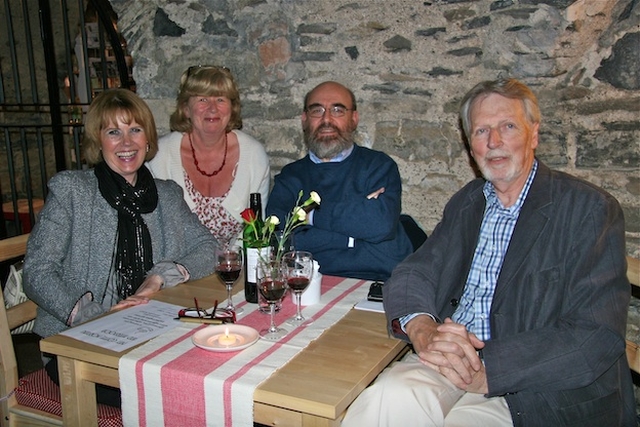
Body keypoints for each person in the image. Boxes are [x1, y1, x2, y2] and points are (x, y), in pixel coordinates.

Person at [341, 78, 635, 426]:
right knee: (384, 399)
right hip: (452, 358)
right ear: (470, 146)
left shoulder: (588, 209)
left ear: (534, 134)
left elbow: (595, 335)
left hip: (535, 386)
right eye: (481, 131)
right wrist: (422, 327)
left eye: (507, 126)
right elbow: (415, 270)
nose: (494, 142)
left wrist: (489, 370)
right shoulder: (470, 201)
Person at [23, 88, 217, 406]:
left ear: (147, 139)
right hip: (82, 345)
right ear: (98, 141)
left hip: (151, 332)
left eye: (135, 130)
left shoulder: (165, 194)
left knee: (220, 378)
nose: (126, 143)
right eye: (114, 132)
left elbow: (207, 247)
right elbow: (38, 271)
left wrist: (157, 279)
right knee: (180, 395)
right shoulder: (72, 191)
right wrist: (94, 316)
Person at [266, 81, 413, 281]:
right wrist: (353, 236)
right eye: (317, 111)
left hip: (378, 282)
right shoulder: (291, 176)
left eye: (337, 110)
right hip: (309, 283)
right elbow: (279, 239)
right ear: (304, 120)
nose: (326, 119)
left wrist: (310, 217)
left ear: (354, 119)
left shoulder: (378, 167)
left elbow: (380, 225)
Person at [147, 65, 270, 245]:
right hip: (177, 268)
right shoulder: (159, 157)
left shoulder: (254, 155)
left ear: (232, 108)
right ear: (186, 108)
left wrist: (230, 264)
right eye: (202, 99)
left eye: (220, 99)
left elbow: (256, 234)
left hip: (237, 267)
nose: (212, 108)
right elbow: (156, 233)